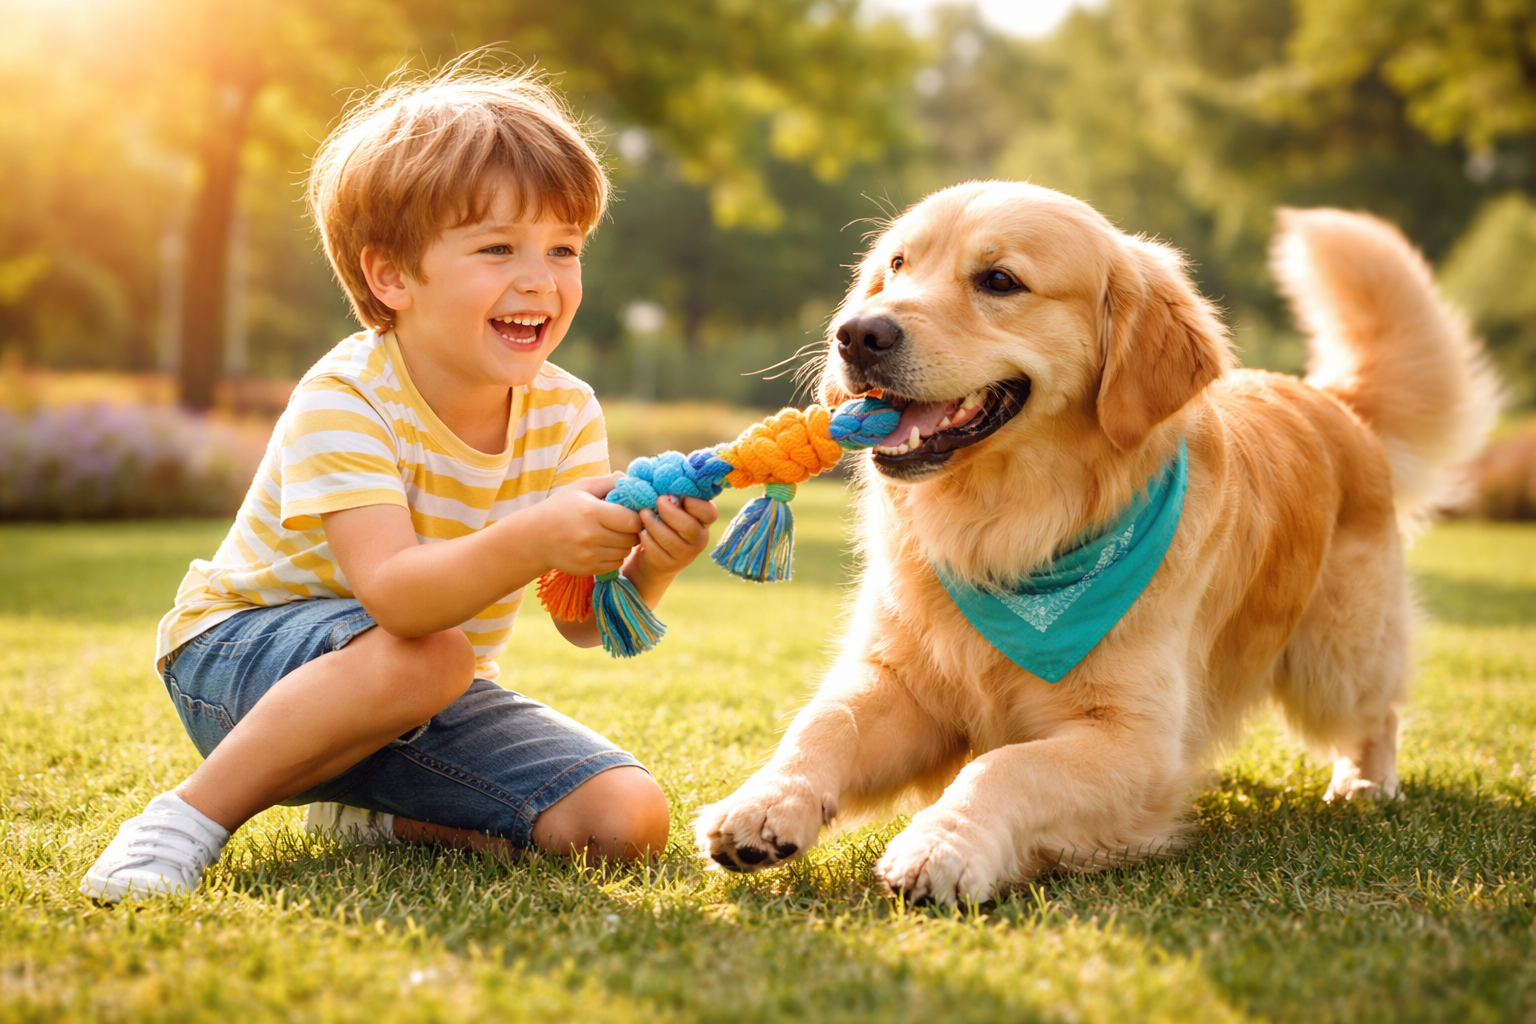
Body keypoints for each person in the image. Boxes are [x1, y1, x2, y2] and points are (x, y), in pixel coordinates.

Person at [79, 64, 717, 902]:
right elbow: (400, 599)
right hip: (238, 665)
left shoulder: (565, 411)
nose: (541, 279)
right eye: (498, 248)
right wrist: (534, 533)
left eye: (564, 249)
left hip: (421, 685)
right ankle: (186, 818)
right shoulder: (347, 396)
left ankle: (373, 816)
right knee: (432, 654)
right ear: (392, 277)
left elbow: (580, 622)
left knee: (623, 820)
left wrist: (652, 563)